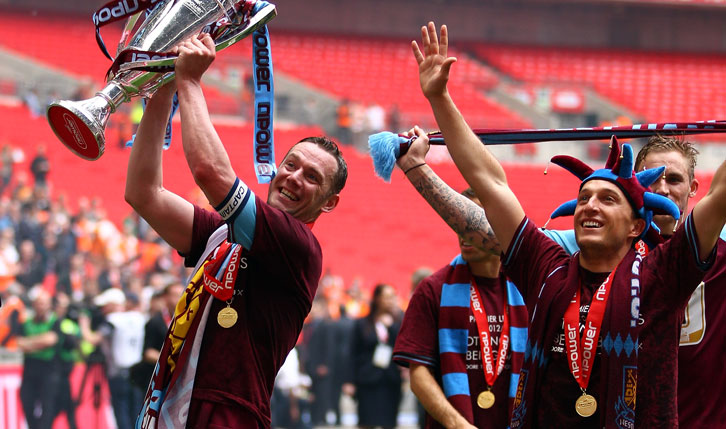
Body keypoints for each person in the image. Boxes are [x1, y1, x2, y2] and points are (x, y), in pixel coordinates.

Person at [411, 22, 726, 428]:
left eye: (608, 199)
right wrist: (439, 98)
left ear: (635, 226)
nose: (590, 206)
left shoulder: (662, 274)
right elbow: (489, 183)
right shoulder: (546, 266)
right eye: (583, 198)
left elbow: (719, 197)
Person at [127, 33, 347, 428]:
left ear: (328, 203)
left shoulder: (299, 246)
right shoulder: (222, 234)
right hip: (178, 401)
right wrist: (161, 91)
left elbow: (211, 173)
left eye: (312, 177)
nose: (294, 178)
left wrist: (190, 83)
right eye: (291, 164)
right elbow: (143, 194)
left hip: (230, 414)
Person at [393, 184, 528, 428]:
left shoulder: (529, 289)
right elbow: (418, 375)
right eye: (459, 217)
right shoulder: (432, 289)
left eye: (474, 217)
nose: (464, 227)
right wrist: (458, 425)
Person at [348, 283, 403, 429]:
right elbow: (353, 353)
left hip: (391, 380)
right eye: (386, 297)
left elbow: (403, 346)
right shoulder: (362, 324)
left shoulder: (399, 322)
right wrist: (350, 381)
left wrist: (390, 328)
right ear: (377, 298)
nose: (390, 300)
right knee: (367, 421)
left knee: (389, 422)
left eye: (392, 297)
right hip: (367, 380)